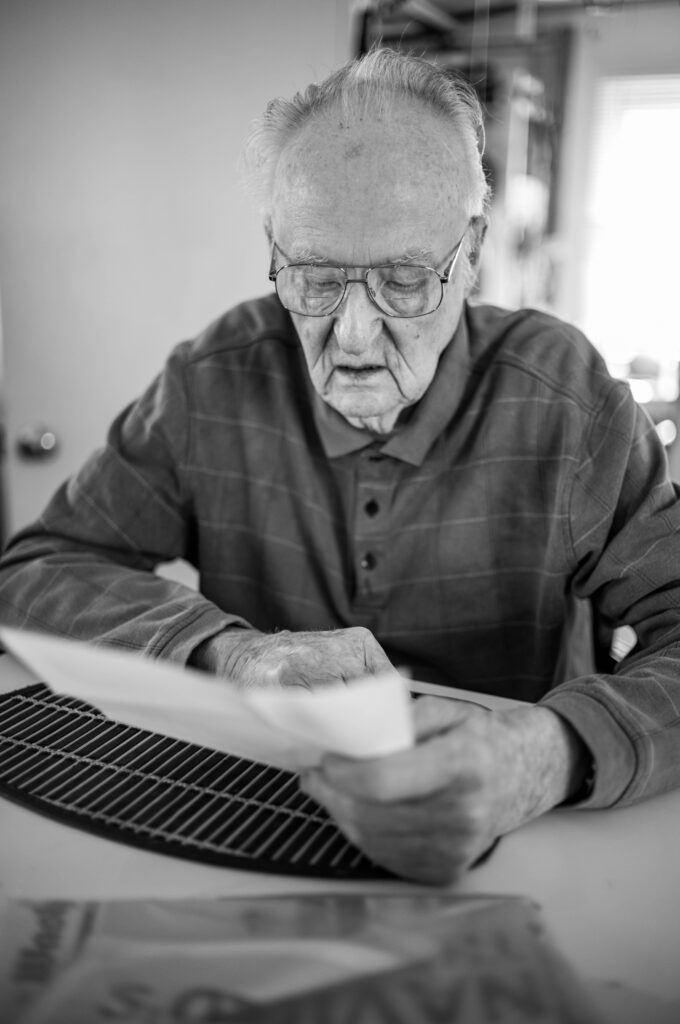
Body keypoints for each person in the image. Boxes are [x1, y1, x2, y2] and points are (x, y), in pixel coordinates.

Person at [1, 48, 679, 886]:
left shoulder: (567, 399)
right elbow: (40, 564)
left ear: (468, 255)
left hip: (527, 858)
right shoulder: (212, 377)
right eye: (316, 279)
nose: (353, 336)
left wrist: (552, 753)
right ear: (275, 251)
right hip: (249, 827)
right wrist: (228, 650)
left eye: (403, 280)